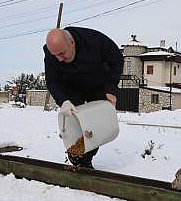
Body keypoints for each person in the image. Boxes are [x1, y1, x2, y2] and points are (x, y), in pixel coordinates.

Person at [43, 26, 123, 168]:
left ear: (71, 42)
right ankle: (78, 160)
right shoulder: (52, 53)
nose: (59, 59)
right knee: (74, 122)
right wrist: (63, 101)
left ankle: (87, 157)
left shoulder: (95, 40)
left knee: (95, 124)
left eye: (62, 53)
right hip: (72, 86)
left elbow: (117, 60)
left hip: (97, 83)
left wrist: (111, 87)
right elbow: (52, 81)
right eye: (55, 55)